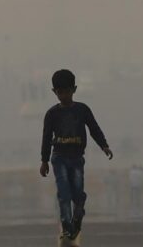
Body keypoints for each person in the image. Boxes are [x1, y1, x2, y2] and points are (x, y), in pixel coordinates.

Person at [40, 69, 113, 241]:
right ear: (54, 92)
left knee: (77, 194)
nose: (63, 96)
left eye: (66, 91)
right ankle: (66, 226)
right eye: (59, 92)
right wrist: (44, 161)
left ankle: (78, 215)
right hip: (59, 158)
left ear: (74, 89)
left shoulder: (82, 110)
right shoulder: (52, 114)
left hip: (77, 158)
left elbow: (94, 128)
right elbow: (46, 137)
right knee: (64, 193)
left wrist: (104, 145)